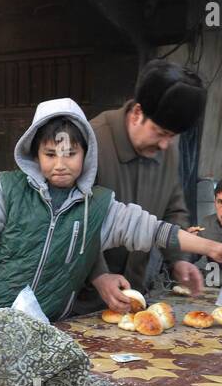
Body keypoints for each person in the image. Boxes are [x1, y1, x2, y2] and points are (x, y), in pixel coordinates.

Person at [0, 99, 222, 322]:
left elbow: (155, 231)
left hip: (52, 323)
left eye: (70, 154)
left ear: (86, 155)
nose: (60, 165)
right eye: (50, 154)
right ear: (35, 155)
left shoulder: (98, 206)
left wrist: (212, 247)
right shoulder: (8, 190)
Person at [85, 60, 208, 311]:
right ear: (137, 113)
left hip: (134, 294)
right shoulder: (91, 141)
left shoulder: (167, 152)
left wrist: (179, 260)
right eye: (160, 132)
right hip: (81, 299)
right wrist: (98, 275)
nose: (165, 145)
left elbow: (173, 210)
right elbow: (71, 219)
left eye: (172, 137)